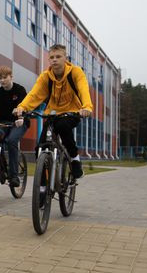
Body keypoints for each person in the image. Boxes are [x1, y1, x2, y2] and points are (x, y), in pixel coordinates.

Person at [12, 43, 92, 179]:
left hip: (72, 112)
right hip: (52, 114)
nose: (55, 59)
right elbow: (34, 94)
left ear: (65, 58)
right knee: (40, 149)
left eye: (58, 56)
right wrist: (22, 107)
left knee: (63, 126)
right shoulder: (45, 77)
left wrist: (87, 107)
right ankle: (42, 186)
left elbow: (83, 89)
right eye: (52, 57)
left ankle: (75, 159)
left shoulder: (75, 72)